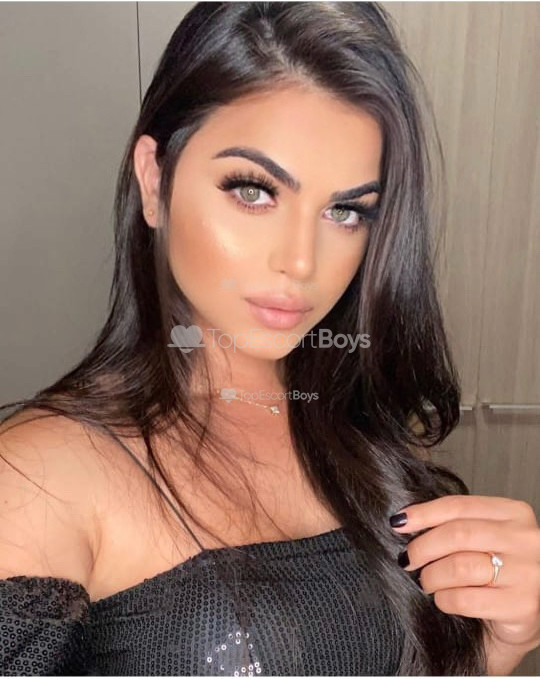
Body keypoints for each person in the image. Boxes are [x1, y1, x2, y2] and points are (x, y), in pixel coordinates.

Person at [1, 2, 539, 676]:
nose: (301, 261)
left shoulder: (361, 431)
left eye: (345, 211)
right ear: (154, 180)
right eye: (254, 191)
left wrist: (494, 646)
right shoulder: (37, 479)